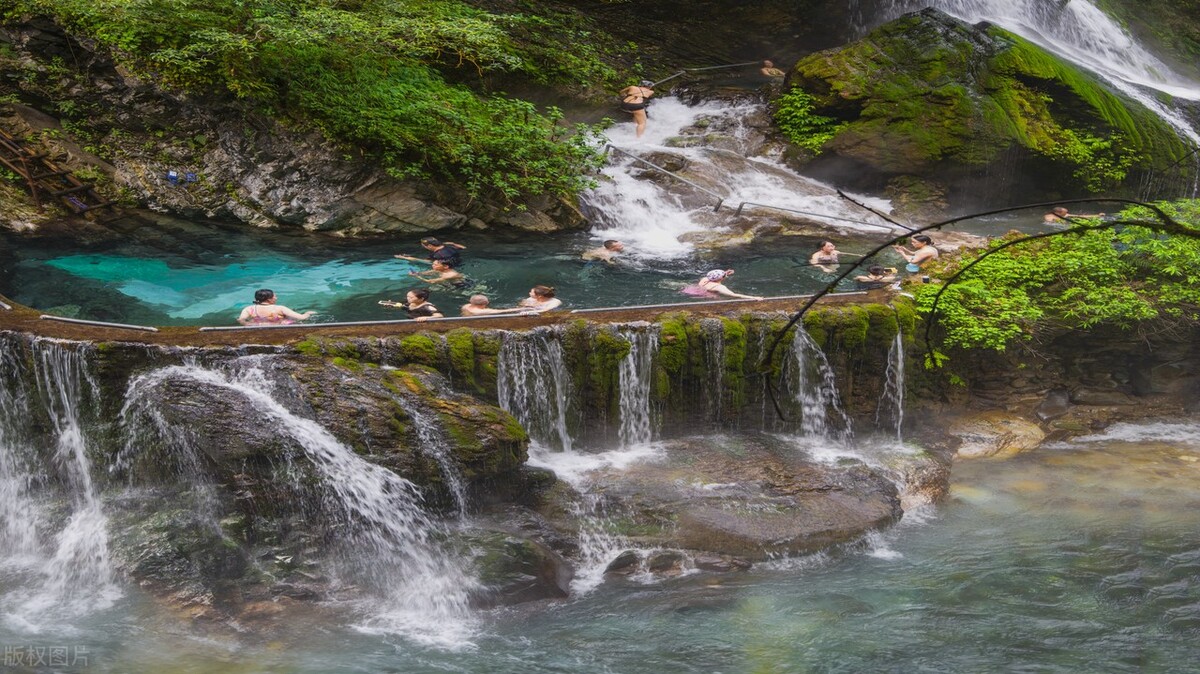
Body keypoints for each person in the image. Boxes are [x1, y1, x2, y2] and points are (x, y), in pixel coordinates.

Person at [237, 289, 315, 326]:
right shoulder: (280, 308)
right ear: (269, 299)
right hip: (279, 326)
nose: (276, 298)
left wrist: (250, 324)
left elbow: (241, 320)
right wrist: (307, 313)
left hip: (258, 326)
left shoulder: (248, 309)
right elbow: (302, 318)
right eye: (275, 296)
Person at [680, 269, 764, 300]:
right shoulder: (719, 287)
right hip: (704, 295)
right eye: (724, 276)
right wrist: (754, 297)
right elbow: (734, 295)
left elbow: (714, 276)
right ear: (721, 278)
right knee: (718, 298)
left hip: (691, 290)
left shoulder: (705, 279)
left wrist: (726, 272)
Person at [394, 237, 466, 268]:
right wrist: (453, 243)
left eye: (424, 246)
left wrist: (407, 258)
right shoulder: (449, 245)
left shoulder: (437, 255)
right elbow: (463, 248)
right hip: (460, 262)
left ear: (430, 245)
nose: (424, 247)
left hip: (450, 267)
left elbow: (427, 262)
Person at [379, 289, 443, 321]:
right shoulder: (409, 302)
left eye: (411, 297)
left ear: (421, 299)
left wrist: (426, 318)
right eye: (407, 296)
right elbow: (402, 306)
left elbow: (440, 316)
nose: (408, 299)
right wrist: (391, 305)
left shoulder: (428, 307)